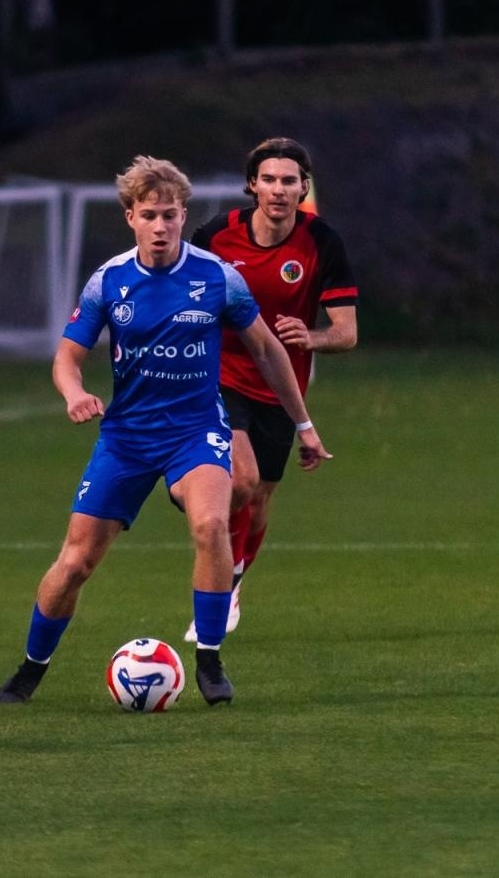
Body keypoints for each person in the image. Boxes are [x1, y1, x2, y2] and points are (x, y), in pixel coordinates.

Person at [0, 156, 331, 706]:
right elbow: (67, 358)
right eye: (149, 215)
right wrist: (75, 393)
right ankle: (32, 667)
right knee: (76, 561)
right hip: (126, 437)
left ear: (182, 216)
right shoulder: (110, 281)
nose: (161, 226)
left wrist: (304, 424)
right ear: (130, 216)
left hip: (196, 431)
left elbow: (269, 351)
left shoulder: (217, 277)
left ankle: (210, 662)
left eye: (170, 215)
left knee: (210, 527)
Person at [182, 137, 357, 641]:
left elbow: (346, 332)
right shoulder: (218, 234)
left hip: (282, 387)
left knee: (257, 498)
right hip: (217, 377)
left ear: (304, 187)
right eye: (269, 179)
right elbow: (180, 285)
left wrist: (313, 336)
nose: (278, 190)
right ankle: (212, 589)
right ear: (251, 185)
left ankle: (232, 580)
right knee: (240, 479)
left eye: (289, 181)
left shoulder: (323, 241)